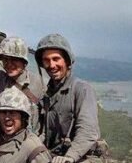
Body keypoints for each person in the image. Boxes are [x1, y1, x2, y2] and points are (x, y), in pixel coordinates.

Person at [36, 34, 101, 163]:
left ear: (66, 60)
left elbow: (88, 131)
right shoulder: (47, 95)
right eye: (46, 60)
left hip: (82, 157)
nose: (52, 65)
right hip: (56, 156)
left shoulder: (81, 89)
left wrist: (69, 157)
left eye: (56, 59)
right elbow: (44, 132)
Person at [0, 88, 51, 163]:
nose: (7, 118)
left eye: (12, 113)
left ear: (23, 117)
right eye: (4, 112)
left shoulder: (32, 147)